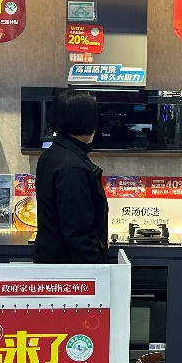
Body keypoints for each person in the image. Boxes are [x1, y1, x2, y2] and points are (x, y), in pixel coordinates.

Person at [34, 89, 108, 264]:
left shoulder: (51, 155)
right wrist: (97, 270)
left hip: (52, 260)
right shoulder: (73, 167)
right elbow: (78, 232)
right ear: (89, 122)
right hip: (71, 268)